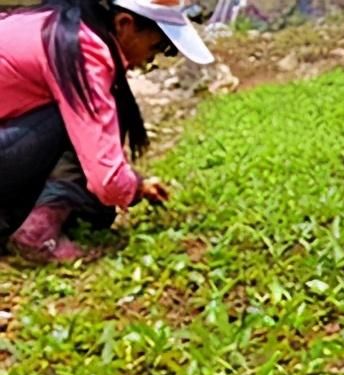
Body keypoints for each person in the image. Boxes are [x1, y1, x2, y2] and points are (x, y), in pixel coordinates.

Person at [0, 0, 214, 262]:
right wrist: (135, 186)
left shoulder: (57, 22)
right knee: (72, 118)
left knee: (75, 123)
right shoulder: (81, 50)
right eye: (157, 47)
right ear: (125, 23)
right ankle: (36, 233)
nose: (151, 58)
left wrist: (135, 183)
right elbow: (107, 181)